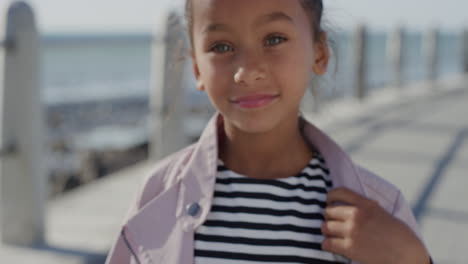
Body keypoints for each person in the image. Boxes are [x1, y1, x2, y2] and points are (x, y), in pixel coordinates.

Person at [106, 0, 433, 263]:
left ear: (319, 54)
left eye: (274, 39)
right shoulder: (160, 195)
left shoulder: (376, 209)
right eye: (221, 47)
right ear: (196, 69)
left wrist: (411, 259)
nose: (247, 72)